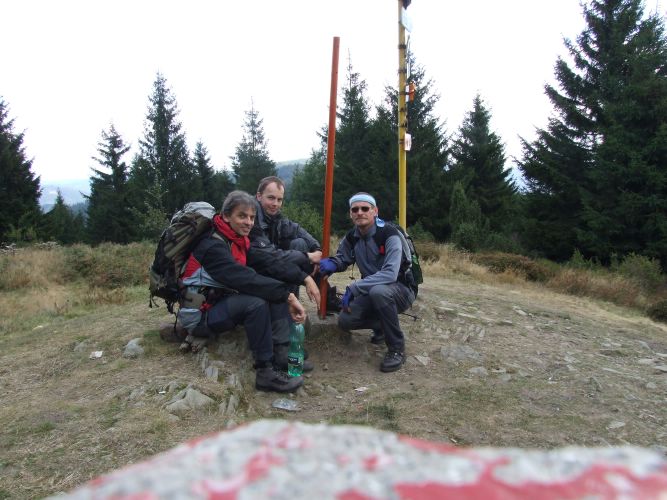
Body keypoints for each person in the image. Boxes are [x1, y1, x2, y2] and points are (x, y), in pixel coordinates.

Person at [177, 190, 308, 393]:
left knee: (271, 286)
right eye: (242, 216)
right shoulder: (213, 247)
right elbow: (244, 279)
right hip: (199, 317)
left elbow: (268, 262)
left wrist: (304, 278)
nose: (248, 222)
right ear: (226, 216)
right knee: (256, 303)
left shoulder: (236, 240)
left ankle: (281, 353)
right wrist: (288, 296)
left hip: (218, 304)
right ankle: (265, 372)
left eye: (252, 217)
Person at [319, 192, 416, 372]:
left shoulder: (390, 234)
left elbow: (390, 274)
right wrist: (333, 263)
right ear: (350, 214)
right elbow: (343, 258)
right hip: (371, 291)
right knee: (345, 320)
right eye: (355, 209)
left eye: (365, 208)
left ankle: (397, 349)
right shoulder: (352, 237)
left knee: (379, 292)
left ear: (375, 211)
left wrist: (355, 287)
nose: (360, 212)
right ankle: (382, 325)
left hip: (401, 289)